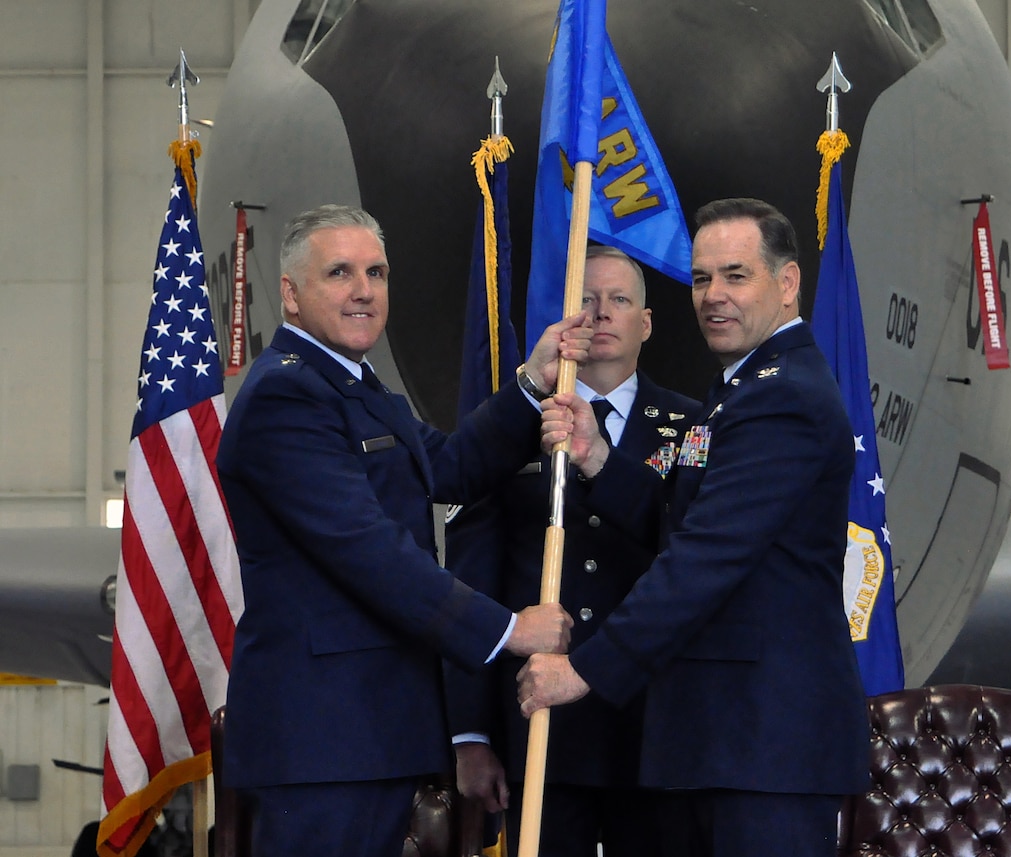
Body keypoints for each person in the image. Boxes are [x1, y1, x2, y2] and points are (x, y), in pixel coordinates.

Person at [216, 204, 585, 857]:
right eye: (340, 272)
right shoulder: (285, 397)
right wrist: (508, 629)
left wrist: (531, 381)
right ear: (291, 295)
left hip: (373, 733)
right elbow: (370, 550)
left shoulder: (357, 388)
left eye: (376, 272)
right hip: (324, 741)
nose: (364, 289)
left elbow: (448, 467)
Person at [519, 199, 871, 857]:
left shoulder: (782, 397)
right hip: (725, 739)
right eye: (703, 278)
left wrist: (583, 671)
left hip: (766, 745)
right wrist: (597, 455)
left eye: (735, 275)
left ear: (787, 282)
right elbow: (675, 498)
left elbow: (703, 555)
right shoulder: (732, 392)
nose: (714, 296)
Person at [444, 246, 701, 857]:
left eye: (619, 300)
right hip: (538, 724)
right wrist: (471, 733)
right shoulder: (517, 422)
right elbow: (472, 578)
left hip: (651, 722)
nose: (601, 314)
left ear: (646, 323)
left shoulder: (692, 428)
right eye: (585, 300)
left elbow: (690, 547)